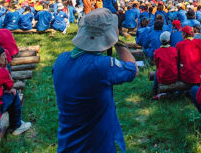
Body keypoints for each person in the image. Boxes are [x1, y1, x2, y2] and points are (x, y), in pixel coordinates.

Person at [52, 8, 137, 152]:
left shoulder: (61, 60)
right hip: (97, 146)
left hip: (67, 144)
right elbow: (133, 69)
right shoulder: (102, 66)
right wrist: (118, 42)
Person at [152, 31, 178, 97]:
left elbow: (157, 65)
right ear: (169, 40)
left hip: (162, 78)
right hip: (174, 77)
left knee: (157, 71)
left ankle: (154, 92)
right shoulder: (174, 50)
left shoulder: (156, 52)